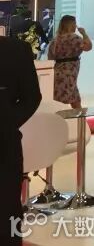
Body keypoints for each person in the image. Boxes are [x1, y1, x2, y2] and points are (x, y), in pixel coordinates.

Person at [0, 35, 41, 246]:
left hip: (5, 143)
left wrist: (7, 122)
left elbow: (32, 96)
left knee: (7, 206)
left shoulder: (16, 50)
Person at [46, 15, 92, 109]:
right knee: (72, 98)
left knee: (71, 98)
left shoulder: (55, 40)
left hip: (57, 72)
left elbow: (50, 58)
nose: (76, 26)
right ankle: (77, 116)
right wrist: (84, 34)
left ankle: (78, 116)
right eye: (74, 24)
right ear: (71, 25)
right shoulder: (74, 38)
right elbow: (88, 47)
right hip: (70, 73)